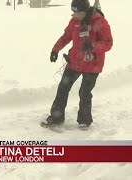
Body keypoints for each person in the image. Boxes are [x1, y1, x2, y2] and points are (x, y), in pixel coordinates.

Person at [41, 0, 113, 130]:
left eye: (78, 12)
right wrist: (55, 50)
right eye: (73, 12)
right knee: (63, 88)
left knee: (84, 92)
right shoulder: (74, 21)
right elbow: (66, 36)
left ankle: (84, 120)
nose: (75, 15)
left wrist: (93, 46)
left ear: (85, 11)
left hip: (92, 64)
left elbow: (108, 43)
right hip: (75, 61)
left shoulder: (99, 22)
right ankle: (56, 117)